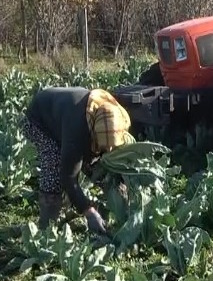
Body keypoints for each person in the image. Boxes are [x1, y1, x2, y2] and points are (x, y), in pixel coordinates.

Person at [21, 86, 135, 234]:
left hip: (66, 115)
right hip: (39, 120)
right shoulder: (78, 129)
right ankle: (46, 228)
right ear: (93, 131)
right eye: (105, 146)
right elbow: (68, 177)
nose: (110, 150)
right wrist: (88, 211)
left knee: (101, 167)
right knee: (54, 163)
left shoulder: (111, 116)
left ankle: (122, 216)